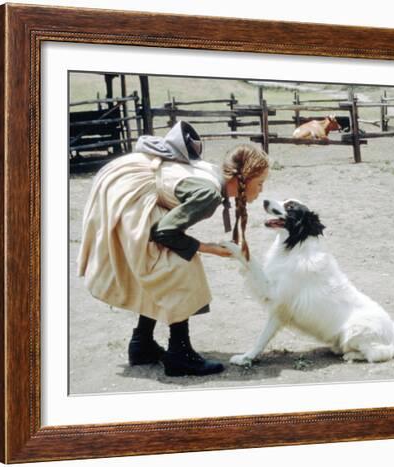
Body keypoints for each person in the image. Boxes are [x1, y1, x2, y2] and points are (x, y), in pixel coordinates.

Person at [77, 121, 269, 377]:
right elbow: (164, 232)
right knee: (179, 267)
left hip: (139, 191)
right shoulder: (210, 194)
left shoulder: (213, 175)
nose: (261, 190)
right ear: (241, 180)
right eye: (260, 182)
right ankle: (180, 354)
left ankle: (142, 344)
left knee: (165, 263)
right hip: (132, 197)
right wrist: (208, 248)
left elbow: (168, 226)